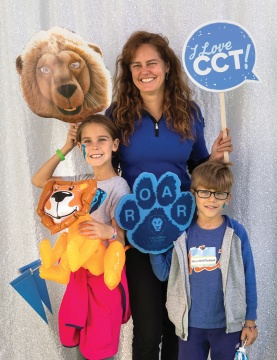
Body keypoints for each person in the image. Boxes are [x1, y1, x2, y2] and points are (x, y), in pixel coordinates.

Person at [105, 30, 233, 360]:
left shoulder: (189, 112)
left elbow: (198, 167)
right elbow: (107, 171)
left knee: (178, 324)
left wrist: (214, 159)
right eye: (136, 65)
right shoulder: (117, 116)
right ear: (128, 71)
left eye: (151, 63)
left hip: (183, 232)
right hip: (138, 235)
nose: (144, 71)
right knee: (147, 329)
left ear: (166, 67)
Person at [32, 114, 131, 360]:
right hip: (79, 274)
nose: (94, 146)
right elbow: (40, 180)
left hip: (102, 277)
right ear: (80, 146)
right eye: (87, 141)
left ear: (114, 145)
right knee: (78, 338)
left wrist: (108, 232)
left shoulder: (119, 186)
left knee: (100, 345)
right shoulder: (79, 182)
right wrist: (65, 146)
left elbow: (123, 237)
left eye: (102, 139)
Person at [150, 160, 258, 360]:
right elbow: (164, 273)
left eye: (219, 193)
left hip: (228, 326)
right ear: (194, 193)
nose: (212, 199)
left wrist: (250, 322)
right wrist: (152, 245)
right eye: (205, 192)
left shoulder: (236, 233)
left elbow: (248, 278)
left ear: (228, 197)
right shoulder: (182, 233)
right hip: (190, 326)